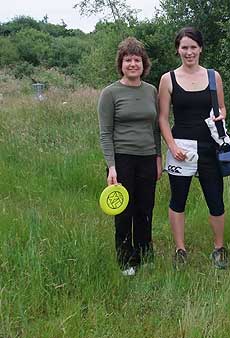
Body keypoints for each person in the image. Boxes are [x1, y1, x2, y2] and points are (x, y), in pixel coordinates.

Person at [158, 27, 228, 269]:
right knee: (178, 199)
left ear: (201, 48)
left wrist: (220, 117)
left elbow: (221, 108)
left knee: (215, 200)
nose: (189, 52)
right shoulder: (168, 79)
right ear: (178, 49)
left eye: (193, 47)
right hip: (181, 146)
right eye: (184, 47)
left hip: (209, 146)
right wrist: (172, 145)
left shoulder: (213, 76)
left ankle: (219, 248)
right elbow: (163, 118)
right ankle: (180, 250)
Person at [98, 37, 162, 276]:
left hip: (147, 158)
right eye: (128, 60)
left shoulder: (151, 91)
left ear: (143, 63)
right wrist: (111, 166)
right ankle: (126, 260)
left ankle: (145, 254)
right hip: (122, 160)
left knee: (145, 208)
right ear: (121, 64)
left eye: (137, 60)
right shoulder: (110, 93)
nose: (133, 64)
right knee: (124, 211)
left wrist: (158, 158)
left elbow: (155, 128)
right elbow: (105, 133)